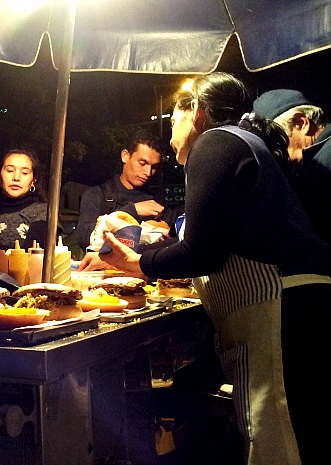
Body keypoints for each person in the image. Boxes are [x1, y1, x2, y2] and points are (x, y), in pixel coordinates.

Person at [81, 72, 331, 465]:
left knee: (277, 446)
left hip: (281, 310)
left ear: (195, 111)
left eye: (173, 122)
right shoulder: (240, 144)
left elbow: (201, 251)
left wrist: (137, 264)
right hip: (290, 307)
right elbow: (210, 238)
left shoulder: (217, 140)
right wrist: (142, 260)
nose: (170, 136)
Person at [253, 89, 331, 259]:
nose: (276, 155)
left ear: (301, 123)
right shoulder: (312, 163)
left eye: (276, 143)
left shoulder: (324, 161)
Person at [76, 127, 182, 251]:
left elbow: (177, 239)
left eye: (154, 167)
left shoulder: (157, 202)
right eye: (142, 163)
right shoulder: (97, 195)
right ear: (125, 156)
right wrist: (131, 211)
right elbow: (84, 238)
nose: (148, 172)